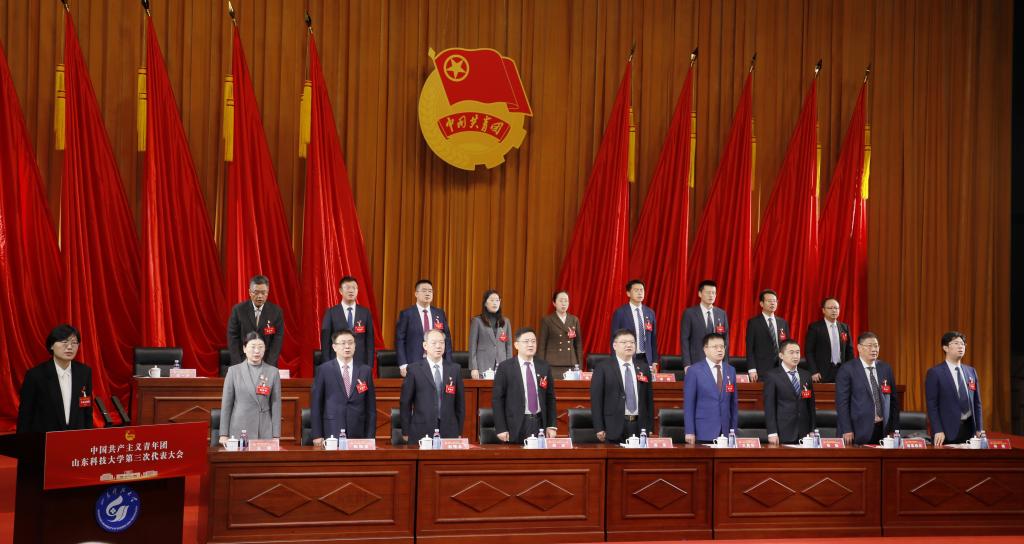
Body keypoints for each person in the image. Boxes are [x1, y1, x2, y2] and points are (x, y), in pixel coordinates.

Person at [17, 324, 94, 433]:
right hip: (46, 438)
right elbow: (25, 414)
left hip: (76, 436)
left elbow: (86, 408)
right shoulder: (35, 375)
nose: (69, 347)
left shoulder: (84, 372)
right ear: (51, 346)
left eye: (74, 342)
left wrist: (89, 435)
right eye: (64, 342)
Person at [311, 330, 377, 445]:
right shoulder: (324, 370)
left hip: (358, 431)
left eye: (350, 343)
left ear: (355, 346)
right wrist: (317, 434)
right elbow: (316, 404)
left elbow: (371, 407)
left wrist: (370, 437)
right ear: (334, 347)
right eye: (343, 343)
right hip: (332, 430)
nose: (347, 346)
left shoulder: (365, 371)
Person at [492, 328, 558, 443]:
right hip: (515, 424)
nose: (530, 345)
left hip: (539, 423)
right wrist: (501, 428)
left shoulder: (544, 366)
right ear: (516, 345)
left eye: (533, 341)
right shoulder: (505, 367)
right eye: (526, 341)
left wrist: (551, 425)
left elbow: (550, 397)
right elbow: (497, 400)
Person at [400, 329, 465, 442]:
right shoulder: (414, 369)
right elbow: (405, 403)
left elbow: (460, 404)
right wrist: (405, 431)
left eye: (441, 342)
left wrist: (459, 431)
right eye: (434, 343)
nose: (438, 346)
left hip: (449, 430)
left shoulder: (455, 369)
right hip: (421, 430)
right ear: (425, 345)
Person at [835, 332, 900, 445]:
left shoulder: (886, 368)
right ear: (859, 348)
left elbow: (894, 401)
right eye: (869, 346)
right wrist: (847, 429)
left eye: (876, 346)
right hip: (857, 430)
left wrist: (893, 429)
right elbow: (842, 403)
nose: (874, 349)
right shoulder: (847, 369)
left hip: (883, 430)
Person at [590, 329, 654, 443]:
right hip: (613, 426)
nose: (629, 345)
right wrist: (599, 427)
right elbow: (596, 399)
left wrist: (649, 427)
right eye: (624, 342)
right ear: (614, 345)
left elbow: (648, 399)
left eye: (632, 342)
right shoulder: (603, 367)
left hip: (639, 426)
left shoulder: (643, 367)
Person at [218, 332, 281, 444]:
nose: (257, 351)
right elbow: (226, 404)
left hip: (264, 429)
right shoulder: (233, 371)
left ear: (265, 349)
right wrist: (223, 434)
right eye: (253, 347)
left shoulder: (273, 372)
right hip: (239, 427)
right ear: (244, 348)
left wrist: (276, 435)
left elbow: (276, 405)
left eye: (260, 347)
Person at [925, 331, 983, 446]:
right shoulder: (935, 373)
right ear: (945, 348)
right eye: (956, 343)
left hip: (970, 430)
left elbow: (977, 403)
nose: (960, 346)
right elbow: (932, 406)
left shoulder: (971, 371)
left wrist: (979, 428)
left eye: (962, 344)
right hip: (946, 432)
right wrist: (938, 430)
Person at [684, 333, 739, 444]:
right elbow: (689, 404)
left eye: (722, 346)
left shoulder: (731, 370)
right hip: (703, 431)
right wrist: (689, 431)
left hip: (726, 432)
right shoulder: (694, 371)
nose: (720, 350)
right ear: (705, 349)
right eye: (715, 347)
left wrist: (733, 431)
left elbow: (733, 404)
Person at [395, 279, 453, 377]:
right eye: (424, 291)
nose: (427, 293)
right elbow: (400, 340)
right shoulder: (407, 314)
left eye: (430, 291)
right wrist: (403, 364)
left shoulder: (439, 313)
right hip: (413, 362)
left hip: (437, 362)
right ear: (416, 294)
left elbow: (447, 339)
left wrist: (448, 362)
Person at [763, 340, 816, 445]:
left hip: (804, 433)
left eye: (798, 352)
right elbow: (769, 407)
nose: (795, 356)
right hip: (783, 432)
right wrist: (772, 432)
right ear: (781, 355)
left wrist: (812, 429)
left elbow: (811, 406)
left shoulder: (806, 375)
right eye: (791, 352)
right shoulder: (772, 376)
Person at [227, 275, 284, 366]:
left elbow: (277, 341)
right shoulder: (238, 310)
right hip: (243, 362)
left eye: (263, 292)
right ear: (250, 292)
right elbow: (233, 339)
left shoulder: (276, 312)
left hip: (267, 363)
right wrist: (240, 365)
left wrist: (268, 366)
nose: (260, 296)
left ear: (268, 292)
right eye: (256, 292)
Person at [319, 276, 375, 368]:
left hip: (360, 363)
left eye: (354, 288)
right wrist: (328, 366)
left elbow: (370, 342)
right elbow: (325, 344)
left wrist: (369, 366)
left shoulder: (365, 313)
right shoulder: (331, 313)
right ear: (340, 291)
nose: (351, 290)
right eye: (348, 288)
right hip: (337, 363)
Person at [679, 280, 729, 372]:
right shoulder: (689, 313)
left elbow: (725, 339)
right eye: (708, 292)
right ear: (700, 294)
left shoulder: (721, 314)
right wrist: (687, 364)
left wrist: (725, 363)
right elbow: (684, 340)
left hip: (717, 363)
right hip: (696, 362)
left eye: (713, 293)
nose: (711, 295)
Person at [609, 279, 658, 367]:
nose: (640, 293)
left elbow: (653, 339)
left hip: (646, 359)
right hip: (627, 357)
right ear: (628, 293)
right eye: (636, 290)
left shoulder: (650, 313)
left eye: (641, 290)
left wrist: (654, 360)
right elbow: (614, 338)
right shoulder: (620, 312)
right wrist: (615, 360)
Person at [804, 297, 853, 383]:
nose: (834, 310)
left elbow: (849, 351)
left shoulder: (844, 327)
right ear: (823, 310)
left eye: (836, 308)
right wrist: (814, 371)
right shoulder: (815, 327)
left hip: (842, 370)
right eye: (830, 308)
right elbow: (809, 351)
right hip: (822, 372)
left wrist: (851, 370)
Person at [744, 289, 790, 382]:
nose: (772, 303)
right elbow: (750, 348)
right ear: (761, 304)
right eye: (769, 301)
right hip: (762, 369)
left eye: (774, 301)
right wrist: (752, 369)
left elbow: (787, 346)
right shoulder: (754, 323)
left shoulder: (783, 322)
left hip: (781, 368)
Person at [468, 290, 512, 379]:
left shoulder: (505, 321)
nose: (495, 303)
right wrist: (474, 368)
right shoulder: (477, 321)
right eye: (491, 300)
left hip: (502, 365)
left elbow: (509, 346)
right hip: (483, 365)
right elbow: (472, 346)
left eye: (497, 300)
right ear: (485, 303)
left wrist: (510, 366)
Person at [538, 290, 582, 377]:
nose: (564, 304)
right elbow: (542, 345)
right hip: (553, 364)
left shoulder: (574, 320)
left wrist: (580, 366)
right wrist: (541, 366)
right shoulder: (547, 320)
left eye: (566, 301)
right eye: (561, 301)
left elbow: (578, 344)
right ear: (554, 303)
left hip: (571, 364)